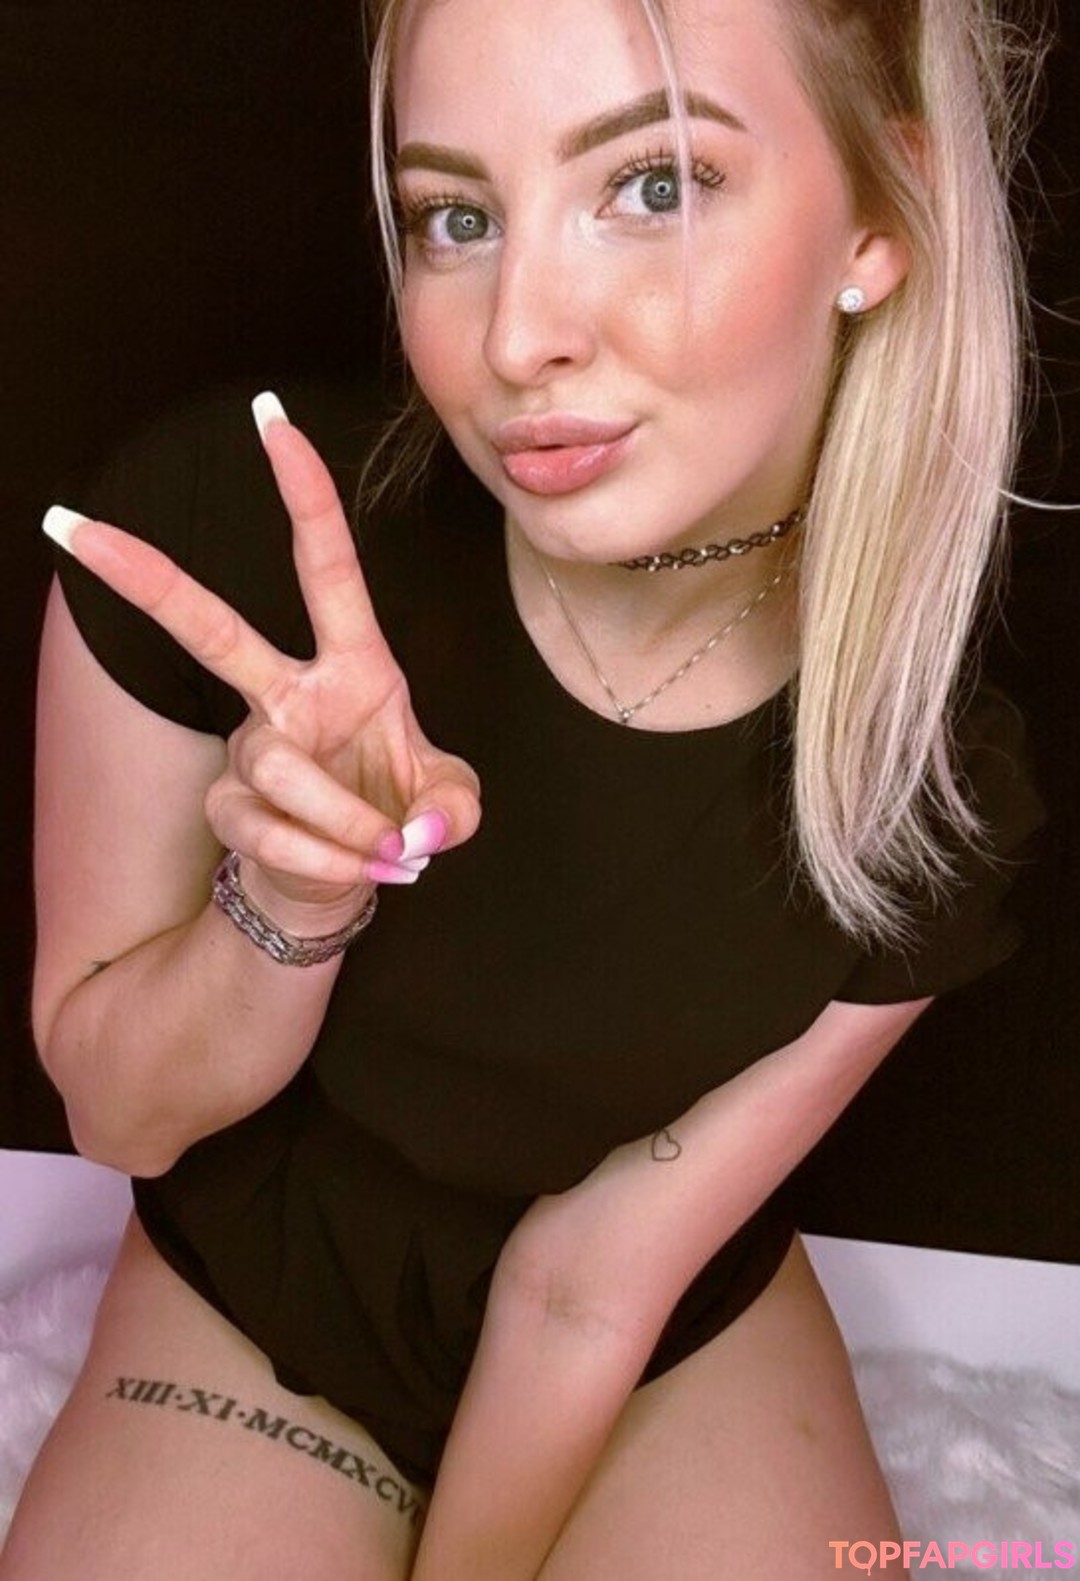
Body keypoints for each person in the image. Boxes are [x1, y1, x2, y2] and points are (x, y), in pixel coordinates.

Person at [4, 0, 1047, 1575]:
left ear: (879, 222)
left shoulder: (929, 783)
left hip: (658, 1337)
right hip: (267, 1283)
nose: (513, 339)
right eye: (456, 215)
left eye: (653, 184)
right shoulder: (224, 537)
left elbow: (588, 1282)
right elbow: (122, 1116)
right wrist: (287, 898)